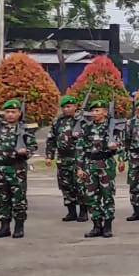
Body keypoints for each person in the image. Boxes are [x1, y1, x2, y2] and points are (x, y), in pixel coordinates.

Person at [0, 100, 36, 239]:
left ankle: (19, 226)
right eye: (7, 112)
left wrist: (25, 152)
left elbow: (32, 146)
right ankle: (4, 226)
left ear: (19, 113)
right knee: (1, 198)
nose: (10, 115)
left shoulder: (25, 129)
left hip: (17, 168)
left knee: (18, 199)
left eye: (13, 112)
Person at [74, 99, 121, 238]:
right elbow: (80, 148)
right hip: (90, 164)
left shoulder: (112, 127)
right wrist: (79, 167)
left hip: (106, 164)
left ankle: (107, 226)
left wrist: (116, 146)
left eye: (97, 111)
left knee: (107, 195)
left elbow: (122, 144)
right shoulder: (87, 127)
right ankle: (96, 225)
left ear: (105, 112)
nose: (94, 113)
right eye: (93, 111)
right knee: (91, 196)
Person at [46, 94, 85, 222]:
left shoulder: (82, 121)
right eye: (64, 107)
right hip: (63, 158)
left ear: (75, 107)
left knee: (80, 185)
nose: (67, 109)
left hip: (78, 158)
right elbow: (51, 139)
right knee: (65, 185)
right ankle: (71, 211)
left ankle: (83, 211)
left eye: (69, 106)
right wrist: (49, 156)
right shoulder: (58, 122)